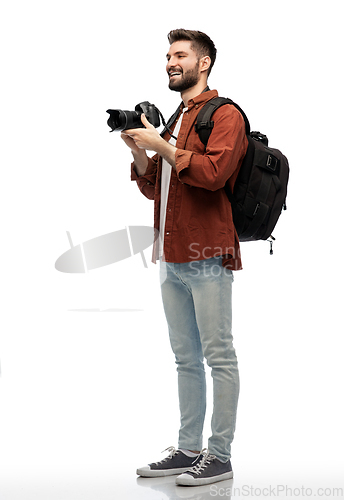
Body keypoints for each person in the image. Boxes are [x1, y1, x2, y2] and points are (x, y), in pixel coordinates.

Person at [121, 29, 248, 487]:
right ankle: (188, 447)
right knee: (185, 358)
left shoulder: (226, 114)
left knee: (219, 356)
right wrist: (141, 153)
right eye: (167, 56)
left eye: (180, 55)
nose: (171, 62)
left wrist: (163, 147)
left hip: (208, 253)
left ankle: (219, 455)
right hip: (171, 255)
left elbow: (213, 174)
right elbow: (157, 186)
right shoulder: (175, 119)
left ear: (204, 63)